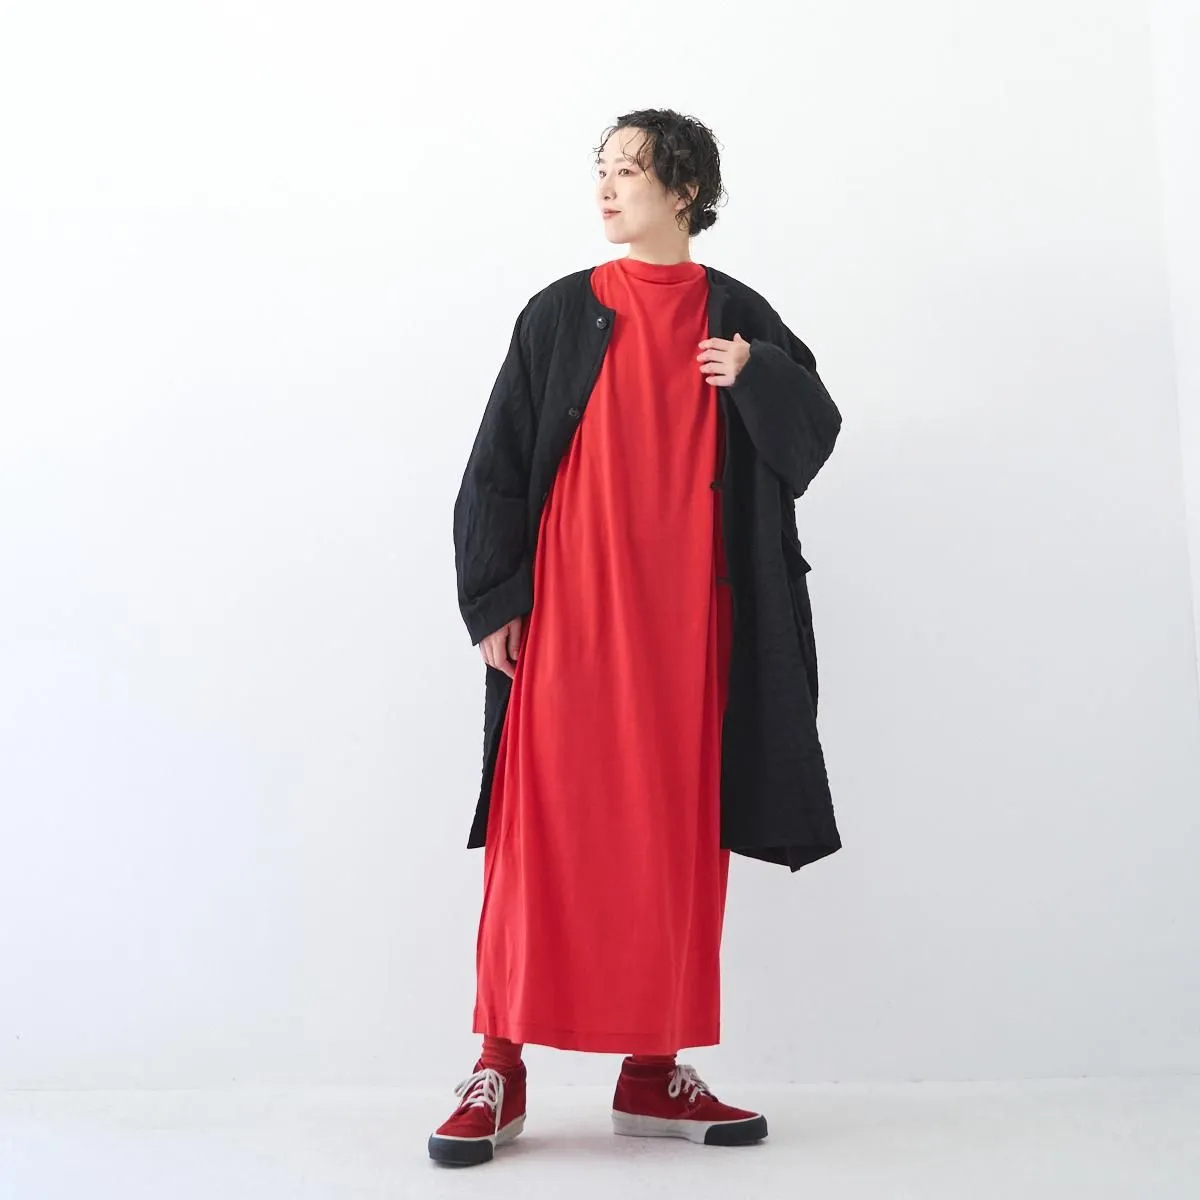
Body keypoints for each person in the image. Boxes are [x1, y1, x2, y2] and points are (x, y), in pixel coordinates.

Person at [435, 109, 843, 1167]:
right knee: (539, 836)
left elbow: (814, 436)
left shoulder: (736, 312)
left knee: (674, 841)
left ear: (686, 190)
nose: (608, 188)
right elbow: (496, 463)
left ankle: (653, 1070)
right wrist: (495, 597)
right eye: (603, 169)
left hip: (691, 625)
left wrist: (757, 372)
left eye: (631, 169)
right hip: (569, 617)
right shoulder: (559, 313)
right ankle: (498, 1064)